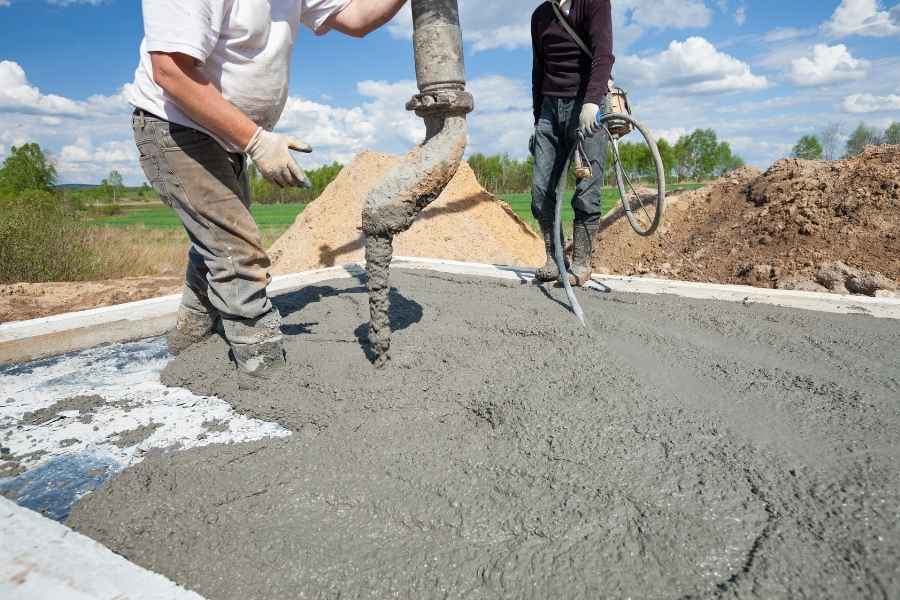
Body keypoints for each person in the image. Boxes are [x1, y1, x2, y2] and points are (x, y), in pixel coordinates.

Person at [128, 0, 408, 386]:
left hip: (225, 135)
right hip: (175, 127)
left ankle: (188, 340)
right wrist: (256, 141)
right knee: (237, 253)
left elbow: (356, 18)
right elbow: (171, 71)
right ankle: (264, 375)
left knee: (217, 241)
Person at [530, 0, 614, 285]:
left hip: (586, 104)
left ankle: (581, 262)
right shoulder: (539, 15)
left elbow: (603, 55)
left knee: (586, 189)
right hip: (549, 112)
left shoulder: (594, 3)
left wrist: (592, 102)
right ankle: (555, 259)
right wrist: (538, 119)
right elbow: (538, 70)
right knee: (541, 192)